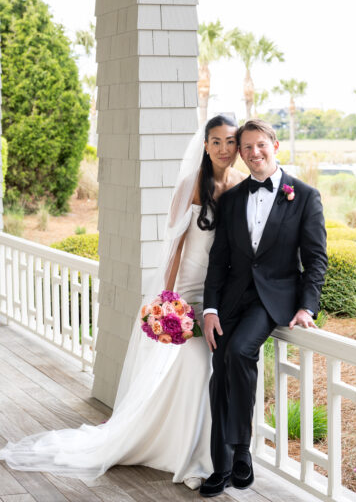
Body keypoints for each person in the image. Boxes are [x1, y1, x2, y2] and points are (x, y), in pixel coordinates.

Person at [0, 114, 247, 490]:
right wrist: (169, 300)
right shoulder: (191, 185)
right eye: (216, 141)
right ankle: (190, 454)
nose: (224, 149)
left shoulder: (242, 185)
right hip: (188, 289)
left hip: (220, 295)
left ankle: (211, 451)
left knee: (212, 373)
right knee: (199, 369)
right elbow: (175, 246)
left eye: (230, 141)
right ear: (205, 145)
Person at [199, 119, 328, 498]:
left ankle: (240, 449)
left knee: (240, 351)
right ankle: (221, 468)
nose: (254, 153)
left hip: (272, 299)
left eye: (261, 145)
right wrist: (209, 309)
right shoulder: (232, 199)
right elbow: (218, 259)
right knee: (219, 371)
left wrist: (308, 307)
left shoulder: (304, 195)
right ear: (240, 153)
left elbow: (316, 259)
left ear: (275, 144)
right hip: (231, 298)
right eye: (247, 148)